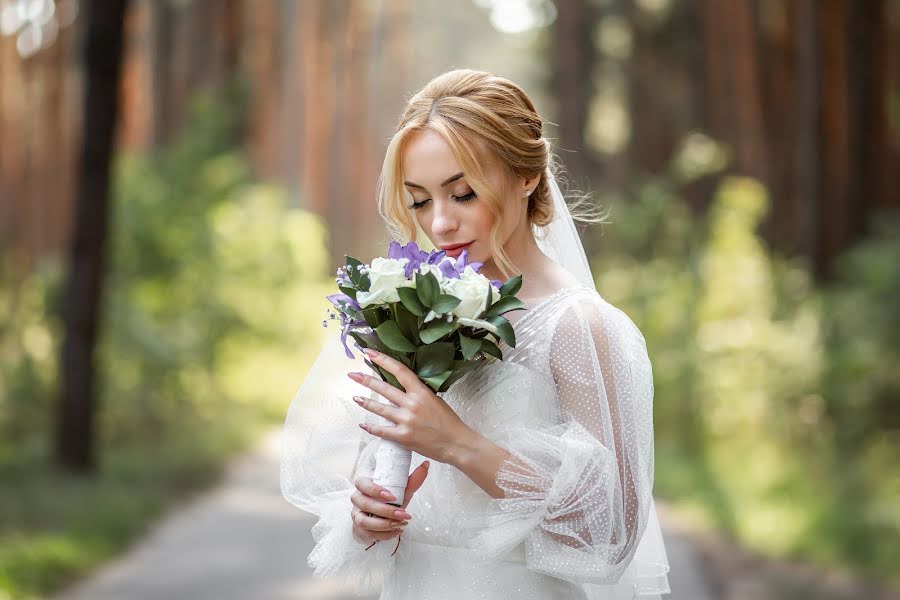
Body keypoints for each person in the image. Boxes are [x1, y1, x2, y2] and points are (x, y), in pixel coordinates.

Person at [281, 68, 671, 600]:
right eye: (419, 200)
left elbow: (607, 535)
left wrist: (456, 443)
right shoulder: (411, 315)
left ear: (525, 176)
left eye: (462, 193)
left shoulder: (581, 327)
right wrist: (369, 514)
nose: (439, 223)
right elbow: (383, 481)